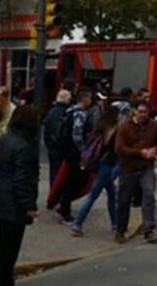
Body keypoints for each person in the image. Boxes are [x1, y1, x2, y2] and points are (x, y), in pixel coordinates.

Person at [0, 105, 40, 286]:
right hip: (14, 201)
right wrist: (29, 206)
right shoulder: (25, 147)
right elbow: (22, 180)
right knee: (10, 247)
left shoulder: (5, 139)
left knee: (3, 244)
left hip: (3, 193)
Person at [115, 100, 157, 244]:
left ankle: (149, 229)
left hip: (146, 166)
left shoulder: (153, 125)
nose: (143, 115)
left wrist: (155, 149)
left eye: (146, 112)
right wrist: (139, 152)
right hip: (129, 167)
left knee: (148, 193)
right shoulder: (124, 127)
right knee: (124, 199)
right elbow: (119, 148)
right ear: (134, 111)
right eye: (140, 112)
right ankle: (120, 230)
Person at [71, 105, 120, 237]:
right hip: (108, 164)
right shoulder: (115, 129)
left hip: (99, 163)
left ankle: (115, 224)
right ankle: (78, 223)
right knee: (95, 195)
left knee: (110, 195)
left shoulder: (100, 126)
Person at [56, 88, 94, 223]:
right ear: (84, 99)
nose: (90, 100)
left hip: (68, 150)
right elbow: (77, 134)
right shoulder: (80, 114)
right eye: (89, 97)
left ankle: (63, 204)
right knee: (75, 180)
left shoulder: (70, 111)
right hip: (75, 152)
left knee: (70, 179)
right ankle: (65, 209)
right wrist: (83, 150)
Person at [43, 89, 72, 188]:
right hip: (61, 148)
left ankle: (53, 194)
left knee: (54, 172)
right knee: (61, 174)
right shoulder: (66, 113)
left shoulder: (51, 112)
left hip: (52, 147)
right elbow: (60, 133)